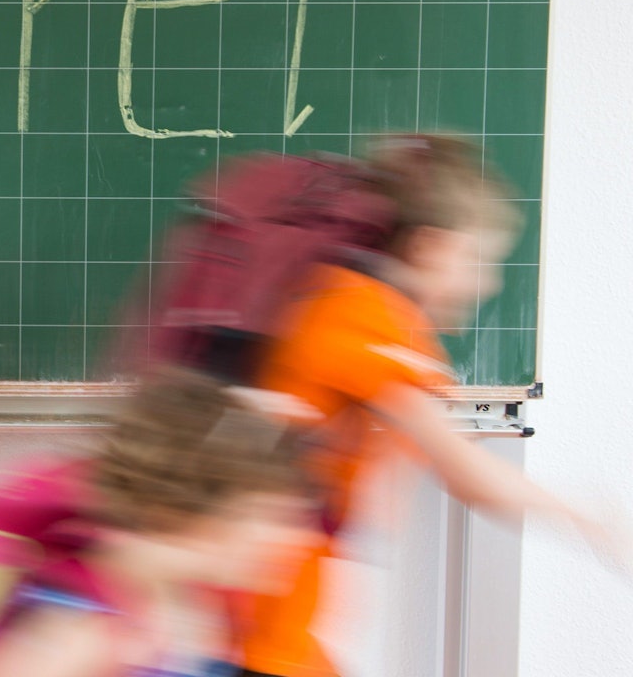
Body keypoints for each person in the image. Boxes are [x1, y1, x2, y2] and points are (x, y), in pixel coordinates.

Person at [235, 135, 611, 677]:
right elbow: (468, 475)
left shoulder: (349, 303)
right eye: (479, 259)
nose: (489, 283)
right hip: (261, 623)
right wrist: (590, 520)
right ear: (431, 247)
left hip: (275, 621)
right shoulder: (366, 316)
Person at [0, 379, 319, 677]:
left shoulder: (183, 608)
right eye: (271, 515)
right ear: (203, 515)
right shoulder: (78, 633)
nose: (295, 537)